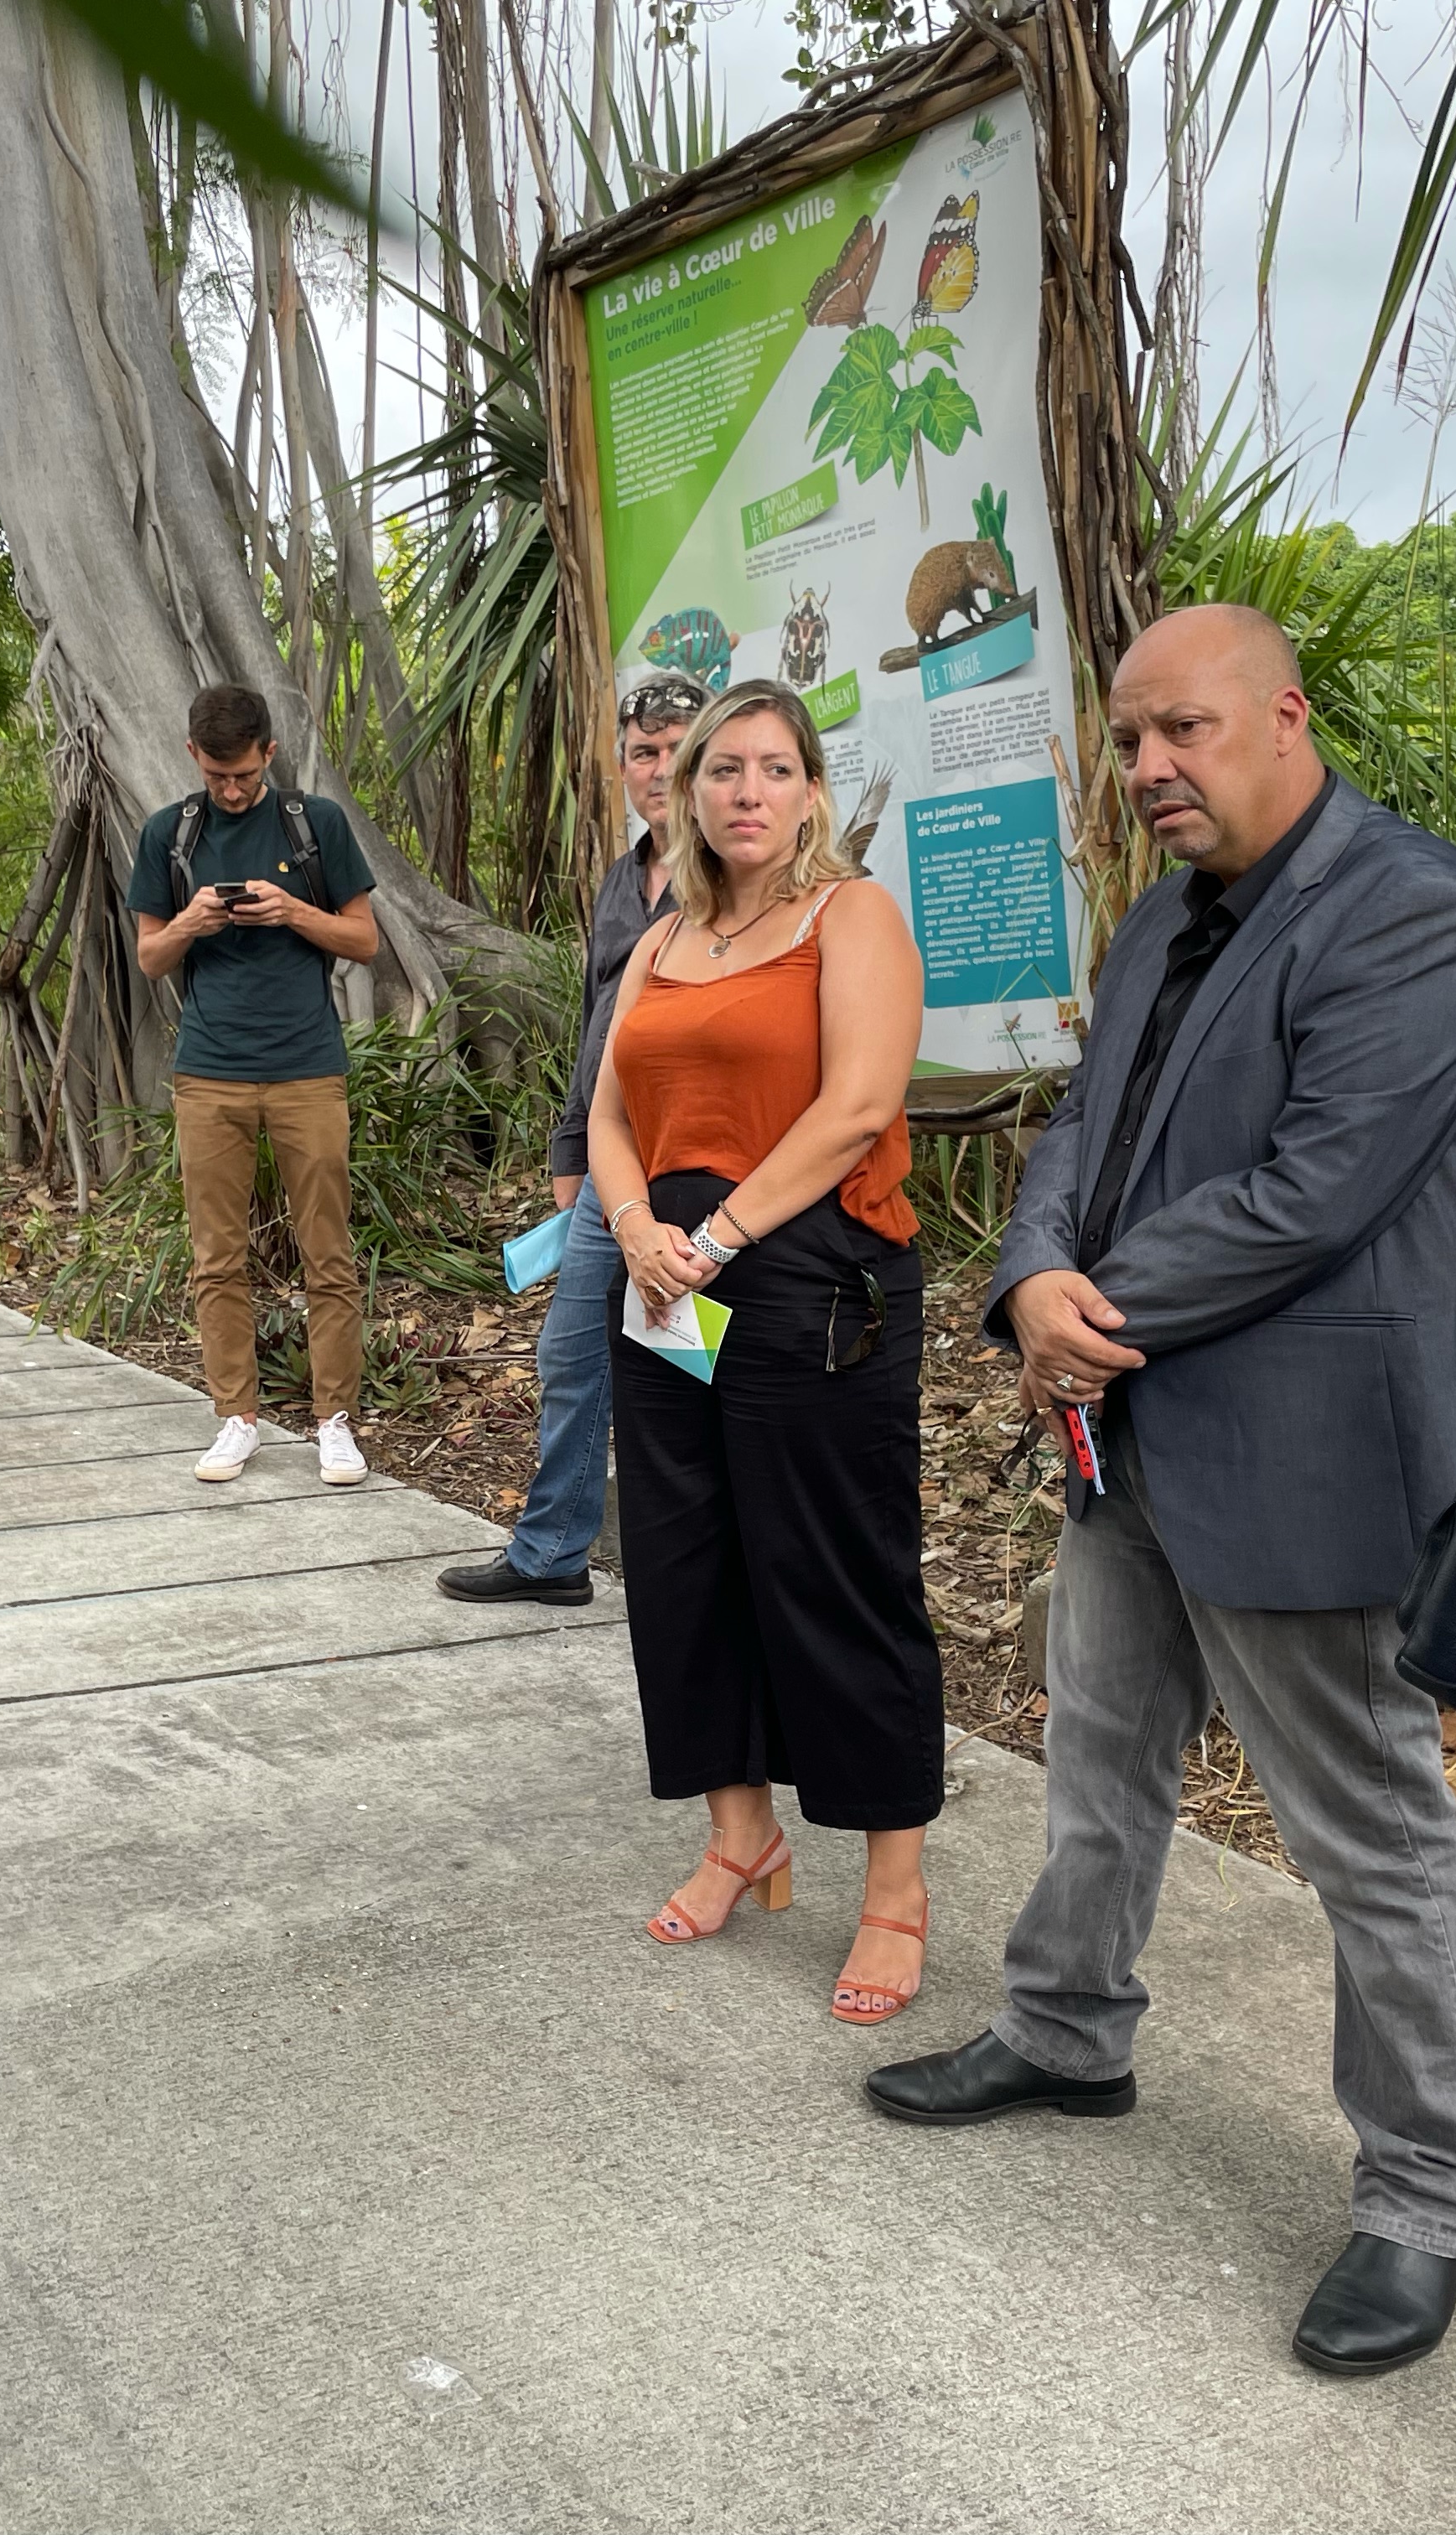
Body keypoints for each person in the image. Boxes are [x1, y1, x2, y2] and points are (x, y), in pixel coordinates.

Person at [864, 604, 1456, 2377]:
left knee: (1370, 1834)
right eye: (1131, 739)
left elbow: (1321, 1189)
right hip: (1128, 1438)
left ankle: (1427, 2198)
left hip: (1300, 1453)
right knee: (1097, 1753)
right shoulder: (1165, 913)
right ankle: (1070, 2030)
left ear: (1287, 717)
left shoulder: (1409, 910)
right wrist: (1027, 1283)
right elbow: (1078, 1128)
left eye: (1186, 732)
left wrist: (1095, 1307)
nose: (1151, 768)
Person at [583, 677, 940, 2024]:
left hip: (807, 1275)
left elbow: (857, 1109)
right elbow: (612, 1106)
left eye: (774, 769)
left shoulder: (851, 918)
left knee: (836, 1577)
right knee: (684, 1563)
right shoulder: (659, 943)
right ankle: (744, 1833)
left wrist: (718, 1232)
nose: (746, 792)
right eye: (722, 770)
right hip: (665, 1281)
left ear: (811, 790)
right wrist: (632, 1223)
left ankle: (894, 1890)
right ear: (685, 793)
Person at [437, 668, 701, 1605]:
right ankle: (552, 1554)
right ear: (621, 766)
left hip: (698, 1168)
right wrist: (567, 1150)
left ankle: (700, 1568)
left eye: (677, 749)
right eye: (643, 753)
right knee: (571, 1356)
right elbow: (598, 1025)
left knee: (686, 1363)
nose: (659, 768)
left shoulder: (733, 880)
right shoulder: (622, 884)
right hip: (606, 1161)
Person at [127, 682, 382, 1487]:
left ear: (269, 752)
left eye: (243, 774)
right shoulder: (169, 833)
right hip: (209, 1074)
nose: (231, 790)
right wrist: (192, 923)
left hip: (309, 1067)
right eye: (216, 776)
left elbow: (366, 939)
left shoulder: (317, 825)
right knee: (217, 1256)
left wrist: (291, 911)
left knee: (327, 1252)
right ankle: (236, 1417)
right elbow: (148, 958)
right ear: (194, 758)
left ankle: (333, 1419)